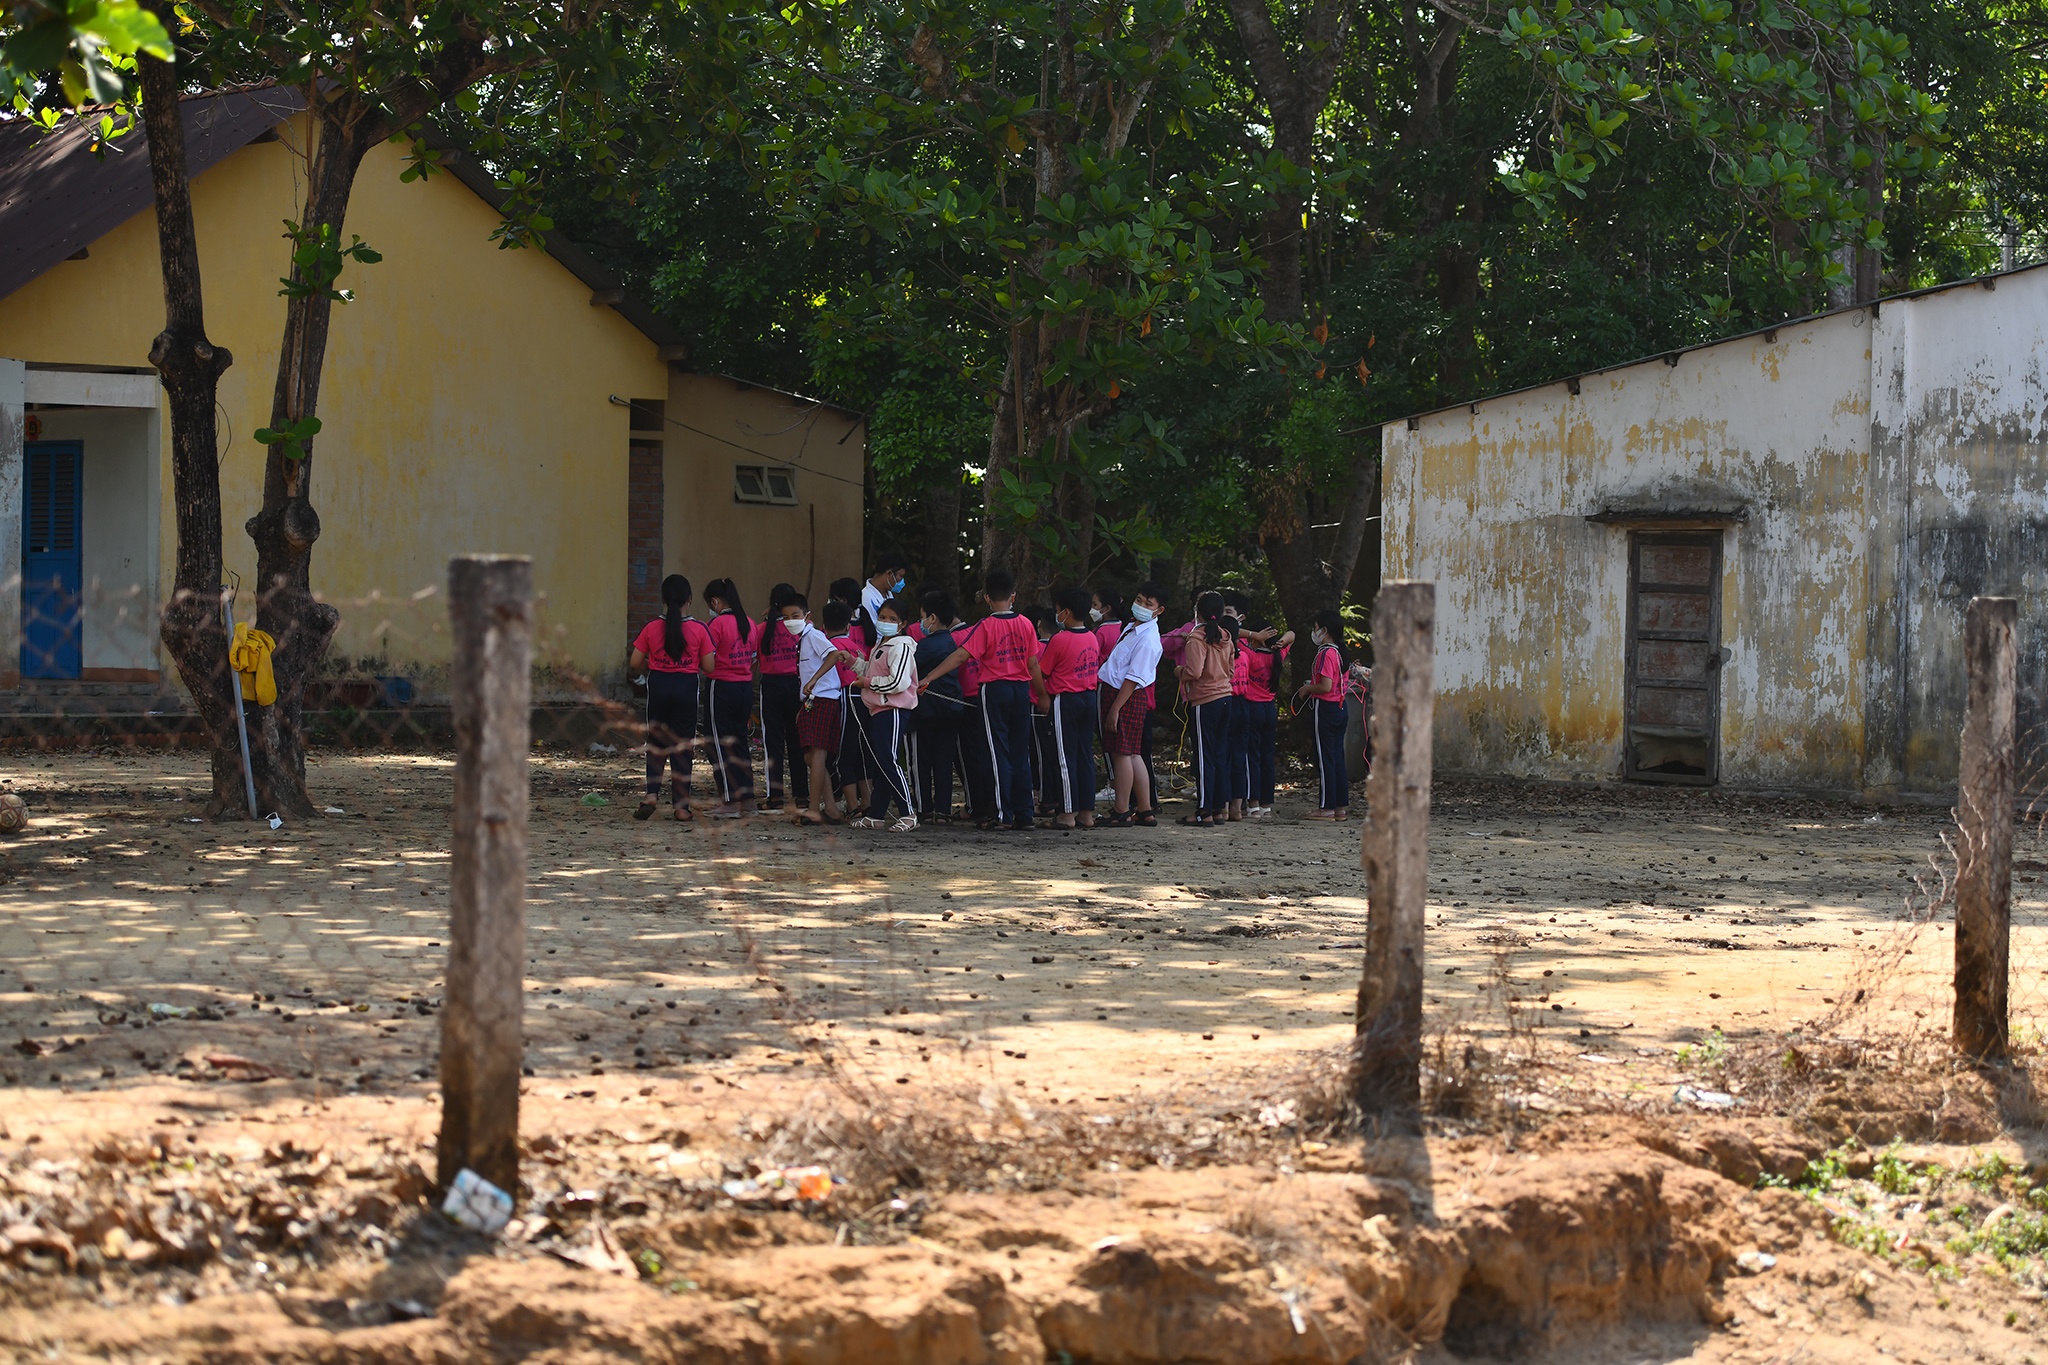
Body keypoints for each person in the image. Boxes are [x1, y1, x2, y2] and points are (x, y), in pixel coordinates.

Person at [921, 569, 1039, 830]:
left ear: (987, 598)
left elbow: (961, 656)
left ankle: (1002, 814)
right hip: (1021, 689)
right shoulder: (1026, 624)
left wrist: (929, 676)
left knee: (998, 753)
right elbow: (1033, 663)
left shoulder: (986, 626)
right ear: (1013, 596)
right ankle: (1024, 813)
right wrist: (1041, 695)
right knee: (1021, 753)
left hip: (995, 690)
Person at [627, 574, 709, 822]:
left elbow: (634, 663)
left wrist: (654, 666)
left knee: (656, 742)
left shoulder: (651, 628)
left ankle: (651, 795)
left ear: (663, 600)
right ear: (690, 600)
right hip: (686, 688)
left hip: (659, 685)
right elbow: (710, 666)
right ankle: (681, 807)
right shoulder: (698, 629)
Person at [851, 599, 920, 831]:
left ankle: (908, 813)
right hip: (879, 709)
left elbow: (899, 682)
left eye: (892, 619)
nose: (885, 622)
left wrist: (868, 683)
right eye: (882, 617)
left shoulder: (900, 647)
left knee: (888, 761)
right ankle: (877, 814)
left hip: (893, 710)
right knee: (881, 762)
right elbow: (872, 671)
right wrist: (853, 663)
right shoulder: (882, 644)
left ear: (902, 624)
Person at [1098, 583, 1163, 827]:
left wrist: (1115, 708)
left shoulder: (1148, 639)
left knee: (1122, 753)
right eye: (1139, 600)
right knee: (1133, 753)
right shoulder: (1132, 627)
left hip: (1125, 696)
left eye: (1149, 604)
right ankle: (1145, 809)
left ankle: (1122, 810)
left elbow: (1133, 678)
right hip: (1120, 694)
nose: (1142, 606)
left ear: (1158, 610)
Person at [1036, 585, 1101, 828]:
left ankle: (1067, 813)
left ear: (1066, 612)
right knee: (1084, 755)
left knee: (1065, 756)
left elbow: (1043, 671)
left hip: (1067, 698)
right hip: (1089, 696)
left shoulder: (1060, 639)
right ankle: (1086, 812)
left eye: (1058, 611)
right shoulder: (1092, 637)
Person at [1176, 591, 1236, 827]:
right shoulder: (1226, 636)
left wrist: (1178, 672)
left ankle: (1204, 811)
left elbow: (1194, 672)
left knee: (1203, 756)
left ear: (1197, 612)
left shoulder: (1196, 638)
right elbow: (1231, 671)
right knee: (1219, 754)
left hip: (1204, 701)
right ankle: (1219, 808)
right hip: (1225, 698)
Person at [702, 578, 759, 817]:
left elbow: (708, 660)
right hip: (744, 687)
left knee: (717, 743)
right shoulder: (749, 622)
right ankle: (747, 800)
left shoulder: (715, 625)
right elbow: (754, 660)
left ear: (714, 602)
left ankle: (728, 801)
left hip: (721, 687)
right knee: (739, 742)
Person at [790, 594, 847, 824]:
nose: (789, 621)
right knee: (810, 756)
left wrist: (814, 679)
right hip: (812, 700)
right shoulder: (803, 639)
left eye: (794, 616)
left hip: (823, 698)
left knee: (817, 754)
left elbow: (833, 654)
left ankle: (814, 810)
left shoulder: (813, 636)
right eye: (785, 617)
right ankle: (831, 809)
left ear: (807, 616)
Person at [914, 590, 967, 821]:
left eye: (922, 616)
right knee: (944, 763)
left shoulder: (925, 646)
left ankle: (923, 808)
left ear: (932, 618)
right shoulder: (951, 642)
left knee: (920, 763)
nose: (921, 622)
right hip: (951, 711)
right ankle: (943, 810)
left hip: (924, 713)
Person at [758, 582, 807, 814]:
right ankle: (802, 796)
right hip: (796, 686)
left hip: (771, 686)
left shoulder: (761, 630)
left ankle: (774, 796)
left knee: (773, 744)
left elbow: (752, 660)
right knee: (798, 743)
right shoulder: (802, 627)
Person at [1299, 609, 1351, 820]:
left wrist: (1307, 689)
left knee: (1325, 758)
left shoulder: (1325, 653)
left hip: (1327, 709)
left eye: (1316, 628)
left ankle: (1326, 807)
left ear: (1324, 630)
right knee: (1338, 757)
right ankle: (1339, 806)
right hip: (1341, 707)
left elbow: (1325, 686)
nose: (1315, 632)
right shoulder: (1340, 651)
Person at [820, 600, 869, 815]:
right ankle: (867, 802)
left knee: (844, 754)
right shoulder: (856, 647)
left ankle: (852, 806)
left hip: (844, 698)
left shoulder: (827, 648)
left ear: (824, 626)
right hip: (865, 698)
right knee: (863, 752)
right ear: (848, 626)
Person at [1235, 615, 1286, 818]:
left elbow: (1234, 634)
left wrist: (1252, 634)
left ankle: (1253, 803)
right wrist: (1280, 640)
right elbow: (1292, 635)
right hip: (1269, 710)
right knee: (1267, 756)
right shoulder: (1278, 655)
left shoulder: (1250, 654)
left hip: (1252, 709)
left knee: (1252, 756)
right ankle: (1266, 804)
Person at [860, 554, 910, 624]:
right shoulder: (866, 598)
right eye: (901, 576)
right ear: (889, 573)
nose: (902, 581)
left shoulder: (888, 594)